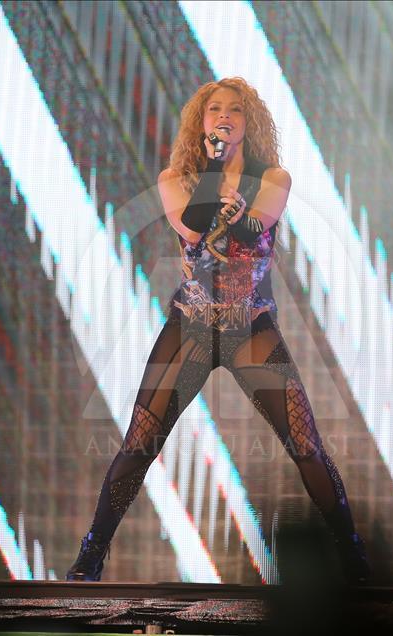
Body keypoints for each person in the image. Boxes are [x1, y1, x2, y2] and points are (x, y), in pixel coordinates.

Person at [66, 77, 371, 585]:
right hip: (191, 325)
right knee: (139, 443)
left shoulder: (272, 177)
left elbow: (257, 226)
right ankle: (91, 553)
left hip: (250, 326)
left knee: (305, 443)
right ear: (201, 123)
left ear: (249, 123)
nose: (224, 117)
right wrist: (213, 170)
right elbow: (191, 227)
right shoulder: (176, 179)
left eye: (235, 110)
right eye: (215, 111)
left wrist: (235, 212)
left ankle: (354, 555)